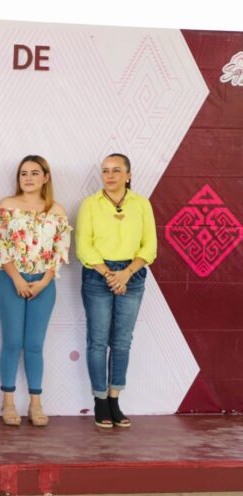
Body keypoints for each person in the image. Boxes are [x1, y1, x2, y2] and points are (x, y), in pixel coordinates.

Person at [0, 155, 71, 427]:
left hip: (44, 284)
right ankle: (8, 401)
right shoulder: (7, 207)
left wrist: (44, 281)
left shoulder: (56, 210)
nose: (29, 178)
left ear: (46, 177)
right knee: (12, 342)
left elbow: (60, 249)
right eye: (24, 173)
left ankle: (36, 402)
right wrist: (18, 279)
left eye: (35, 173)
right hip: (11, 282)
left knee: (34, 345)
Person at [75, 153, 157, 428]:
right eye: (105, 171)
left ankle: (114, 398)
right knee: (98, 341)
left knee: (122, 341)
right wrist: (110, 274)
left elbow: (150, 246)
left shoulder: (142, 204)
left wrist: (126, 273)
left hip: (131, 275)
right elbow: (84, 246)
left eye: (116, 170)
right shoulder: (90, 204)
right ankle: (99, 399)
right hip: (99, 275)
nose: (110, 176)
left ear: (128, 175)